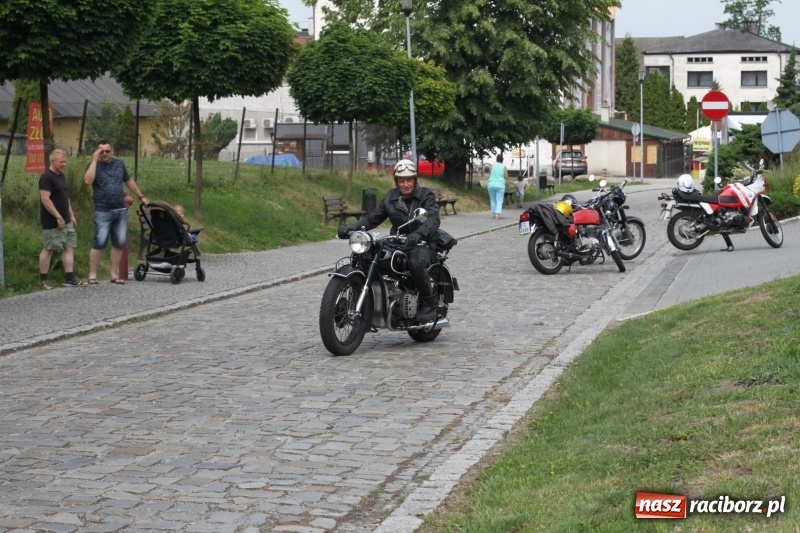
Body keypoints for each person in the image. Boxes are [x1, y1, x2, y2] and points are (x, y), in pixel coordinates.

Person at [337, 160, 441, 322]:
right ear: (396, 181)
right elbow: (372, 218)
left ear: (415, 180)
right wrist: (352, 228)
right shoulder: (390, 198)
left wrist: (419, 233)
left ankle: (429, 306)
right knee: (369, 257)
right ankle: (372, 302)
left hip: (423, 242)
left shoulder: (425, 195)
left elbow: (433, 219)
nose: (405, 184)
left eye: (409, 180)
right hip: (398, 241)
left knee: (415, 263)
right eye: (401, 180)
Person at [84, 140, 148, 285]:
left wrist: (141, 196)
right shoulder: (92, 165)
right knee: (99, 242)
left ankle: (114, 273)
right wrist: (94, 160)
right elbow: (88, 181)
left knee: (119, 242)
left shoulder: (119, 164)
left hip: (120, 209)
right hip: (103, 210)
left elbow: (128, 181)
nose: (104, 154)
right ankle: (92, 274)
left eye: (107, 151)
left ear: (112, 151)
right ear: (97, 152)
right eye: (101, 151)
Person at [38, 149, 84, 289]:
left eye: (65, 161)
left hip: (66, 219)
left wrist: (71, 215)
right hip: (52, 221)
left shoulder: (62, 176)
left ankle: (69, 277)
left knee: (69, 247)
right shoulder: (46, 177)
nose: (64, 164)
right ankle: (43, 280)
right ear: (52, 161)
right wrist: (58, 217)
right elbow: (45, 199)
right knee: (49, 248)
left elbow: (65, 197)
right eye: (61, 162)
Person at [487, 154, 508, 219]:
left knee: (492, 199)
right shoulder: (503, 166)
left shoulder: (492, 166)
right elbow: (506, 176)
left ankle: (494, 213)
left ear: (496, 159)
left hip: (491, 184)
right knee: (499, 200)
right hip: (500, 185)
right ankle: (497, 214)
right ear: (502, 160)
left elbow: (490, 173)